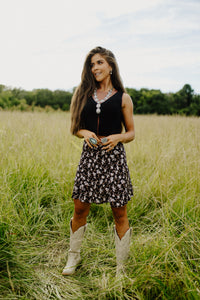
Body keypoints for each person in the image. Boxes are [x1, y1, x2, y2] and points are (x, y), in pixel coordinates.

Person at [62, 46, 135, 276]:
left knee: (119, 212)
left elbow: (131, 132)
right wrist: (85, 133)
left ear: (111, 66)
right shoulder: (83, 94)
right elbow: (75, 128)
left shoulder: (123, 98)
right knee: (80, 207)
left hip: (114, 159)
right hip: (90, 159)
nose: (95, 68)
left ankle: (121, 267)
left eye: (100, 63)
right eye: (92, 64)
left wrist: (118, 137)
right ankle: (73, 258)